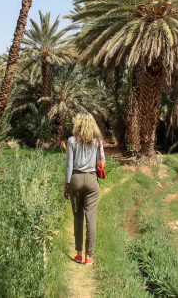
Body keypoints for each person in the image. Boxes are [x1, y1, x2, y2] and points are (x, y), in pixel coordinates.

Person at [64, 112, 105, 265]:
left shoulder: (71, 141)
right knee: (91, 218)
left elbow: (69, 165)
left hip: (75, 178)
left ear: (78, 124)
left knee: (78, 216)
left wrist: (66, 185)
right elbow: (102, 163)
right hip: (91, 179)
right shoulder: (97, 142)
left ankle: (79, 254)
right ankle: (89, 257)